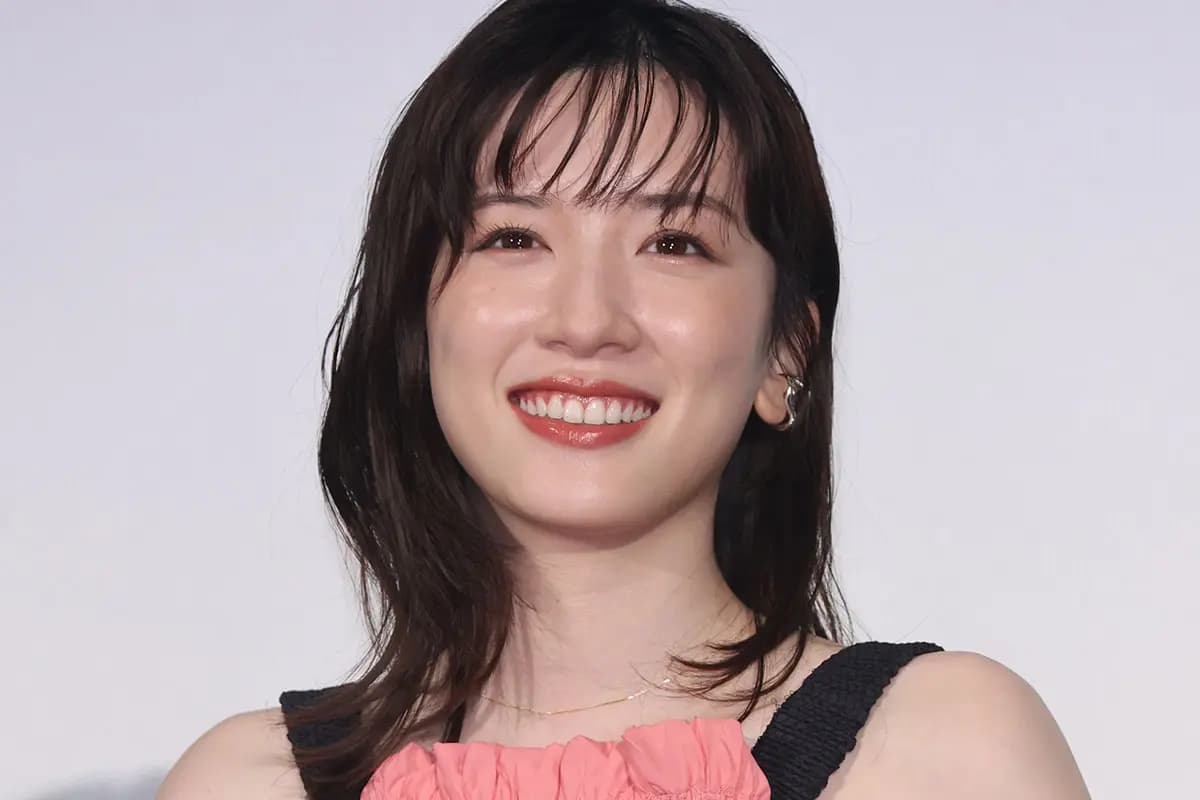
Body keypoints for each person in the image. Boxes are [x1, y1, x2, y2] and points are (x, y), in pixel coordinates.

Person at [159, 1, 1091, 798]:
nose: (587, 320)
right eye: (513, 237)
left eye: (675, 243)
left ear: (785, 352)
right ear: (416, 320)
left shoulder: (941, 751)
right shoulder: (247, 782)